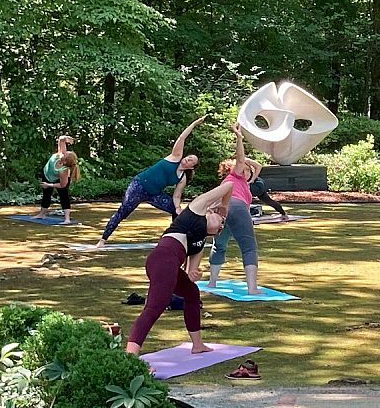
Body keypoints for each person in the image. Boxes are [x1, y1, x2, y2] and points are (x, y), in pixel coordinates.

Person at [126, 179, 233, 356]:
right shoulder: (196, 211)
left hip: (169, 265)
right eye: (221, 222)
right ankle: (130, 354)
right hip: (162, 259)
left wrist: (194, 274)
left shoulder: (199, 244)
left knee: (191, 292)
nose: (221, 226)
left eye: (222, 228)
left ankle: (197, 344)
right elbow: (229, 186)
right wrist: (224, 208)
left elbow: (191, 272)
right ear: (211, 212)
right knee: (154, 307)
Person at [95, 116, 206, 248]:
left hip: (153, 194)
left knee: (176, 211)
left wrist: (177, 207)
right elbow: (182, 138)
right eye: (188, 157)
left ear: (192, 166)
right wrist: (194, 124)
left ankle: (175, 239)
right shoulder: (175, 157)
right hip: (139, 186)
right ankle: (102, 239)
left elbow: (177, 196)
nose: (188, 159)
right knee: (123, 212)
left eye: (191, 161)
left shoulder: (182, 178)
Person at [207, 124, 264, 295]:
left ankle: (212, 283)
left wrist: (250, 172)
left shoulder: (234, 183)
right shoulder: (235, 176)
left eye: (248, 170)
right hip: (237, 208)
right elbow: (241, 160)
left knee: (219, 246)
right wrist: (239, 138)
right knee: (249, 247)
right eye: (245, 169)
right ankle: (252, 288)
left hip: (224, 211)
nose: (247, 171)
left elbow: (258, 166)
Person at [30, 149, 81, 224]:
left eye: (65, 154)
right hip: (49, 176)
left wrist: (48, 185)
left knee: (64, 196)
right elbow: (61, 142)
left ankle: (67, 219)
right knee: (46, 194)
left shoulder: (64, 171)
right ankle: (42, 214)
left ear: (65, 161)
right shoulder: (59, 155)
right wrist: (63, 138)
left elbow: (62, 185)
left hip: (61, 181)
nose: (63, 153)